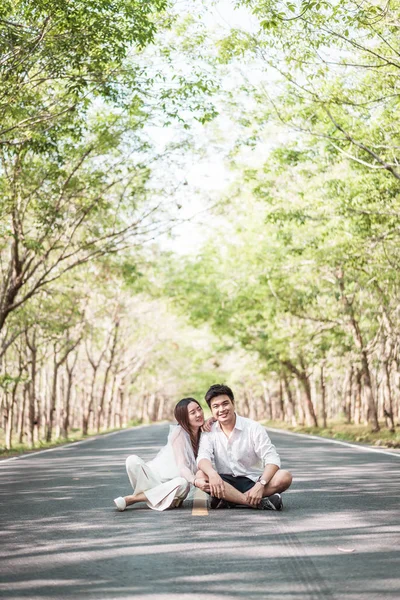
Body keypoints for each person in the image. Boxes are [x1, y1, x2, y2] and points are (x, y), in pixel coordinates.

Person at [197, 384, 293, 511]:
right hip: (225, 482)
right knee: (201, 475)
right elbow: (203, 457)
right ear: (211, 410)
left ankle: (229, 500)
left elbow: (272, 458)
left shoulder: (253, 427)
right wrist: (212, 474)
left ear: (233, 404)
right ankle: (254, 502)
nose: (221, 409)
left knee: (285, 476)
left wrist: (261, 484)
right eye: (216, 406)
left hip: (252, 481)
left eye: (225, 404)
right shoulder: (209, 431)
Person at [114, 398, 210, 512]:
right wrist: (194, 480)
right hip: (154, 479)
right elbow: (182, 466)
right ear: (184, 417)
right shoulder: (179, 433)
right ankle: (163, 497)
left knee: (183, 483)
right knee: (132, 460)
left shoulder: (203, 431)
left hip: (173, 484)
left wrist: (212, 419)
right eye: (193, 413)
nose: (199, 414)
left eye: (199, 409)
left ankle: (133, 499)